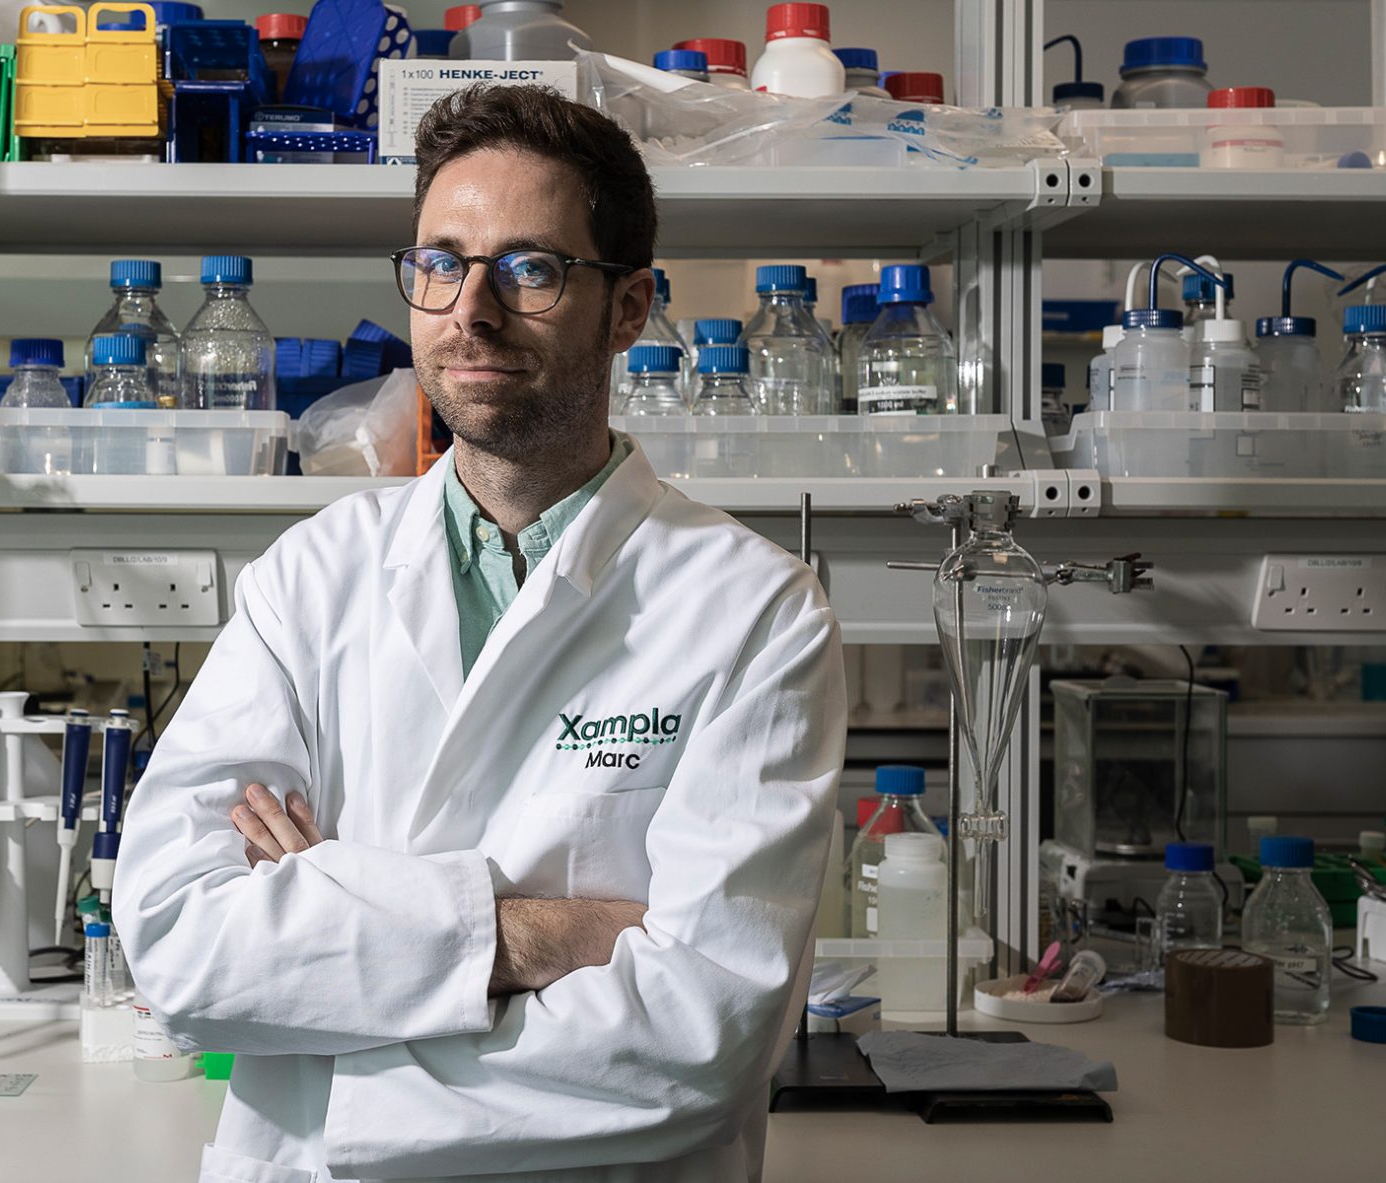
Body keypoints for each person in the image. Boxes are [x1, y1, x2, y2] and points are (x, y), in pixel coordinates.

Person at [116, 84, 847, 1183]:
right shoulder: (307, 582)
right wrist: (539, 934)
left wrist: (331, 957)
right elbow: (178, 943)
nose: (472, 309)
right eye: (440, 264)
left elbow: (700, 1035)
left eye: (530, 268)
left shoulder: (754, 610)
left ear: (630, 308)